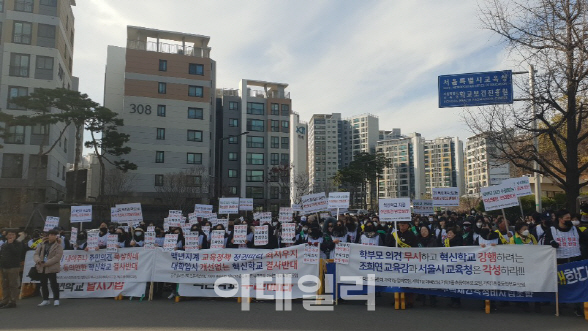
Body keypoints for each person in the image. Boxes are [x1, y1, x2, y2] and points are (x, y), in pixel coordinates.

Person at [34, 230, 64, 307]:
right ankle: (45, 299)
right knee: (43, 284)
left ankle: (56, 299)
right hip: (41, 267)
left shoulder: (58, 245)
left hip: (51, 267)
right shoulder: (42, 244)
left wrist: (46, 263)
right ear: (48, 236)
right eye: (51, 235)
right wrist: (38, 261)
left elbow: (57, 257)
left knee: (53, 283)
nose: (52, 236)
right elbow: (36, 254)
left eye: (54, 235)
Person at [0, 229, 23, 309]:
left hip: (13, 267)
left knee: (13, 284)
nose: (11, 236)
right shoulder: (3, 244)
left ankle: (12, 301)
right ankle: (5, 300)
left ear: (15, 236)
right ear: (6, 236)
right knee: (4, 285)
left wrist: (10, 244)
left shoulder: (18, 243)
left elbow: (16, 252)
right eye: (9, 235)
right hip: (4, 267)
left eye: (13, 234)